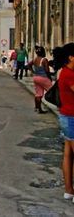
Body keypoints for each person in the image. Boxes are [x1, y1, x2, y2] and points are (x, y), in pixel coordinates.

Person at [55, 43, 74, 201]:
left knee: (68, 154)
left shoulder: (63, 72)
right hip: (72, 117)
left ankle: (69, 190)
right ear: (71, 57)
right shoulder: (69, 75)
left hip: (66, 116)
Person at [31, 46, 51, 114]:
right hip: (43, 78)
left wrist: (33, 71)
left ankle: (38, 108)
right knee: (53, 91)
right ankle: (60, 106)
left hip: (36, 77)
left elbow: (28, 65)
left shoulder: (35, 59)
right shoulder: (44, 60)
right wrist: (50, 78)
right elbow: (47, 70)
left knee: (38, 94)